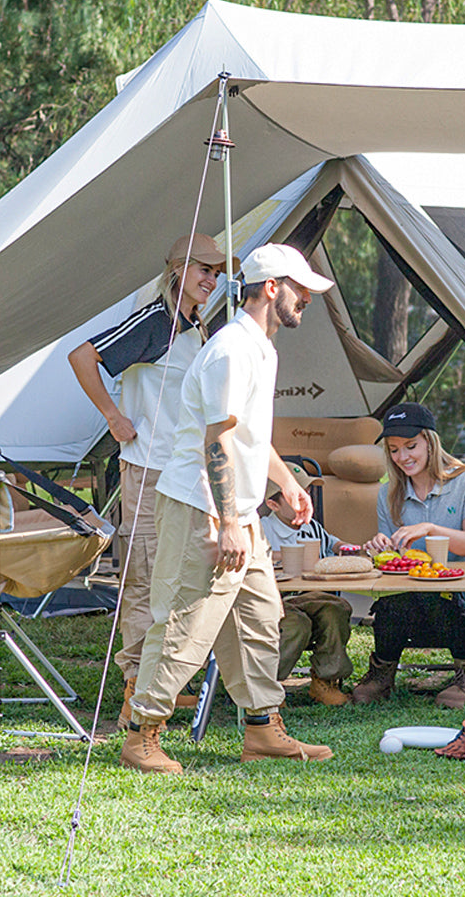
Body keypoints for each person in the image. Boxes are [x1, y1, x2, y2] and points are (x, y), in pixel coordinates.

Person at [120, 243, 336, 773]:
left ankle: (262, 729)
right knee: (185, 622)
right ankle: (141, 734)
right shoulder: (230, 350)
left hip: (239, 512)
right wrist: (231, 523)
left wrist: (287, 484)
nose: (307, 298)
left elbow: (250, 438)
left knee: (260, 617)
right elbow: (216, 441)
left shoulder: (262, 348)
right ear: (271, 288)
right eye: (300, 289)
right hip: (201, 508)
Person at [68, 233, 228, 727]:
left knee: (179, 577)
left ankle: (163, 681)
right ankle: (135, 687)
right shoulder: (157, 321)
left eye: (216, 273)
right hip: (148, 468)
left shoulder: (194, 324)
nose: (211, 280)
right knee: (144, 577)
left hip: (185, 470)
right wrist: (114, 417)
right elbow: (82, 357)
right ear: (178, 269)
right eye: (203, 269)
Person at [354, 403, 465, 708]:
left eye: (410, 446)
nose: (402, 457)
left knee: (440, 595)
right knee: (391, 601)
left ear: (430, 442)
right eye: (393, 450)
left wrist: (430, 529)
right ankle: (382, 673)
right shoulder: (388, 493)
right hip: (413, 597)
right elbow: (396, 559)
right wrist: (381, 548)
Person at [261, 463, 354, 706]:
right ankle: (266, 686)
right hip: (277, 599)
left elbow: (333, 542)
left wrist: (348, 549)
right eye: (296, 495)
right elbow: (257, 555)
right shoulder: (263, 528)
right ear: (273, 504)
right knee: (296, 624)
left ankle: (325, 680)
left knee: (336, 609)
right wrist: (289, 556)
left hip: (312, 595)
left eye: (308, 492)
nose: (306, 499)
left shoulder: (311, 526)